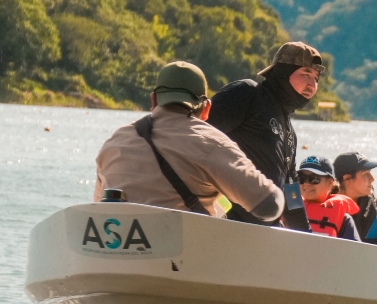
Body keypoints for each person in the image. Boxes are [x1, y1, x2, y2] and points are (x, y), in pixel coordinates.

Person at [94, 61, 284, 222]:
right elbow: (269, 207)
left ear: (153, 100)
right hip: (181, 260)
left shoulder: (115, 141)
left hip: (115, 256)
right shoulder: (211, 143)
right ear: (206, 108)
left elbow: (96, 208)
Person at [206, 41, 325, 228]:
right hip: (223, 224)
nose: (312, 84)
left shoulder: (289, 132)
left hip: (262, 233)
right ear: (283, 73)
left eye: (316, 78)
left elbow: (291, 192)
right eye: (306, 74)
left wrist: (306, 238)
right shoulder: (248, 94)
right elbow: (197, 139)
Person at [297, 155, 360, 241]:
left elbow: (354, 252)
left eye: (314, 179)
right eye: (301, 178)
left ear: (330, 182)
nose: (306, 183)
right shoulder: (286, 210)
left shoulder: (344, 219)